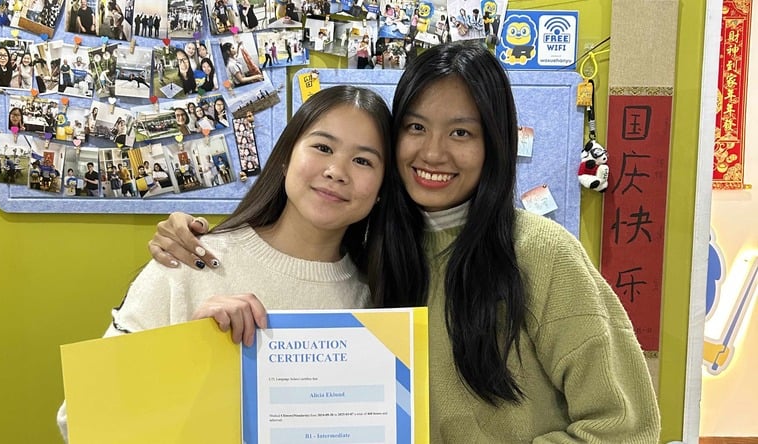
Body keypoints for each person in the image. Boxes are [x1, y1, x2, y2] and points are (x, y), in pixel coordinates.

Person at [145, 42, 661, 442]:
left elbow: (626, 427)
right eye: (416, 127)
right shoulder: (376, 256)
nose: (433, 153)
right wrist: (190, 321)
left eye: (461, 133)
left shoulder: (540, 251)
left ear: (495, 144)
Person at [55, 85, 392, 440]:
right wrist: (190, 350)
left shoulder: (376, 301)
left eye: (363, 161)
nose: (337, 171)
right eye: (322, 147)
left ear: (382, 189)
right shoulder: (189, 260)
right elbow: (78, 421)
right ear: (285, 158)